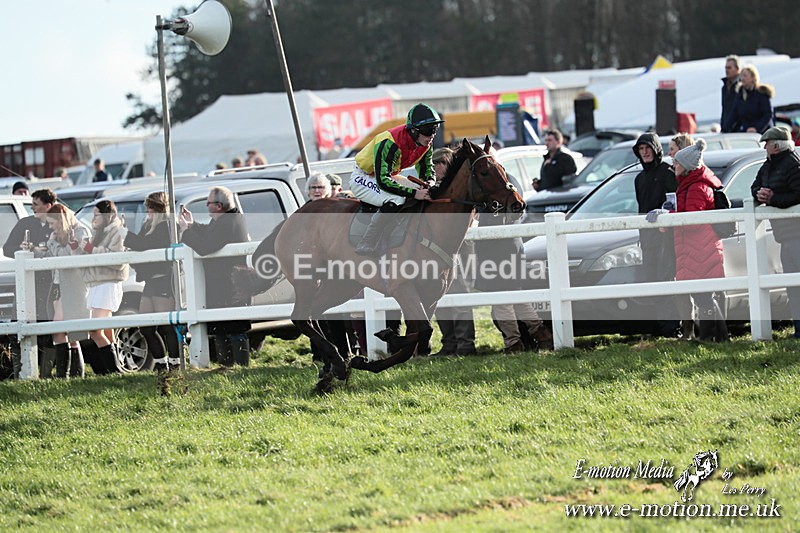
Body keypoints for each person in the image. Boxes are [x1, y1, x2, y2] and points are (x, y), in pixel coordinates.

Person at [652, 139, 728, 342]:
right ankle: (719, 337)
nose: (673, 165)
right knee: (703, 295)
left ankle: (710, 338)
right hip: (695, 247)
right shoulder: (690, 185)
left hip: (700, 247)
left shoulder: (696, 187)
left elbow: (692, 221)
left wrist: (668, 218)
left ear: (686, 165)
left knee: (703, 296)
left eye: (677, 162)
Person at [475, 173, 554, 352]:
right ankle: (542, 335)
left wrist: (480, 210)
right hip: (510, 245)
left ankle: (513, 343)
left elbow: (493, 215)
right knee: (517, 297)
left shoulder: (496, 185)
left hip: (498, 248)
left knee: (502, 299)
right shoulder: (510, 181)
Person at [350, 102, 439, 256]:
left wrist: (429, 183)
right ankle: (368, 241)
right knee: (397, 199)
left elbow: (427, 170)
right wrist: (414, 193)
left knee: (423, 191)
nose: (431, 135)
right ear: (413, 130)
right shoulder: (389, 142)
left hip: (388, 175)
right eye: (427, 130)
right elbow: (383, 181)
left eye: (435, 129)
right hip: (364, 176)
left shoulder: (425, 144)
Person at [179, 186, 251, 366]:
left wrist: (186, 232)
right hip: (224, 283)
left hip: (230, 284)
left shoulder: (229, 222)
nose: (206, 205)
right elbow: (209, 233)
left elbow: (205, 247)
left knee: (234, 328)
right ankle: (226, 366)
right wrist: (192, 225)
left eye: (208, 203)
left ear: (219, 206)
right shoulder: (225, 219)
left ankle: (239, 367)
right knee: (221, 327)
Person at [750, 126, 800, 337]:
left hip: (795, 234)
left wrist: (773, 199)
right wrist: (759, 194)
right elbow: (754, 187)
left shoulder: (794, 165)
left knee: (795, 284)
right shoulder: (767, 166)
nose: (765, 148)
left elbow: (798, 194)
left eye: (767, 144)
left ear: (777, 146)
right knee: (792, 286)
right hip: (785, 236)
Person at [123, 192, 180, 372]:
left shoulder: (167, 226)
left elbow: (144, 244)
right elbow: (140, 245)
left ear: (159, 208)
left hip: (163, 280)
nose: (147, 211)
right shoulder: (148, 225)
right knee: (146, 327)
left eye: (150, 207)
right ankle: (161, 363)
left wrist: (124, 233)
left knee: (167, 325)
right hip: (150, 281)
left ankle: (175, 363)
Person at [3, 188, 56, 377]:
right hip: (25, 284)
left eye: (35, 204)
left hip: (48, 285)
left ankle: (46, 374)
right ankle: (20, 372)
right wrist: (21, 249)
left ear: (48, 206)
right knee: (19, 327)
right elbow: (7, 248)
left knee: (48, 330)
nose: (32, 207)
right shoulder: (25, 223)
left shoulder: (57, 224)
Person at [429, 147, 476, 356]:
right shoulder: (434, 188)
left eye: (441, 164)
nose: (437, 169)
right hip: (435, 248)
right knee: (439, 294)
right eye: (434, 164)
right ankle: (449, 343)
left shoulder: (461, 190)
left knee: (459, 293)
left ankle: (465, 344)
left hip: (458, 247)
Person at [73, 200, 130, 373]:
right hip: (97, 284)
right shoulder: (99, 232)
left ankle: (112, 369)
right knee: (106, 329)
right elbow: (89, 254)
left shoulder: (117, 231)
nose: (93, 218)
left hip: (108, 284)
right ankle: (114, 369)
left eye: (97, 215)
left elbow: (117, 259)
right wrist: (77, 247)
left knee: (95, 330)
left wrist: (91, 248)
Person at [633, 133, 680, 338]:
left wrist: (664, 213)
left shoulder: (668, 172)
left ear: (656, 149)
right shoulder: (639, 178)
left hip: (666, 236)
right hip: (647, 238)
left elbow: (675, 203)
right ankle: (659, 329)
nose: (645, 152)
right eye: (641, 149)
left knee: (665, 279)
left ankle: (672, 330)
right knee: (651, 280)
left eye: (648, 148)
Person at [45, 204, 90, 378]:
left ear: (60, 220)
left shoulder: (79, 231)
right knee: (60, 329)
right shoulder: (59, 234)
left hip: (74, 284)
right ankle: (65, 373)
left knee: (65, 328)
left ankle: (72, 372)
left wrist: (51, 243)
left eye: (52, 223)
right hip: (58, 283)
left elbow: (68, 255)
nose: (50, 227)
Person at [732, 64, 775, 134]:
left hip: (764, 132)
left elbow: (768, 114)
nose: (742, 78)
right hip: (748, 133)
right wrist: (725, 129)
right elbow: (735, 114)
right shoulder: (740, 95)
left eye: (745, 75)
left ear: (753, 77)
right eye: (741, 76)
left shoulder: (761, 93)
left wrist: (757, 128)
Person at [720, 55, 741, 133]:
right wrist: (723, 126)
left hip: (738, 129)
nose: (726, 70)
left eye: (729, 68)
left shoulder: (742, 86)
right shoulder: (724, 87)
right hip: (727, 129)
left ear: (737, 69)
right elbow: (724, 109)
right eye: (726, 68)